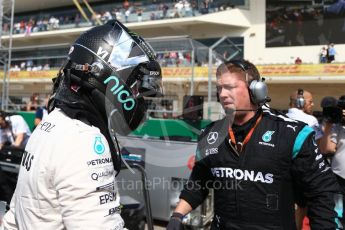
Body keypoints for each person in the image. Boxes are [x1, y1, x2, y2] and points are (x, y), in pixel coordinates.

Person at [3, 20, 163, 229]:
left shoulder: (50, 123)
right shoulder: (84, 141)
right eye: (136, 91)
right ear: (113, 78)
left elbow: (13, 217)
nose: (139, 101)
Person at [166, 60, 342, 230]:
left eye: (230, 87)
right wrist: (177, 215)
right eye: (219, 88)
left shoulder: (292, 133)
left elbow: (322, 193)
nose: (222, 94)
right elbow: (198, 183)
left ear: (255, 90)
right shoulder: (210, 134)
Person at [319, 95, 345, 226]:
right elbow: (326, 149)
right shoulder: (337, 126)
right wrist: (329, 124)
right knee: (338, 217)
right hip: (339, 177)